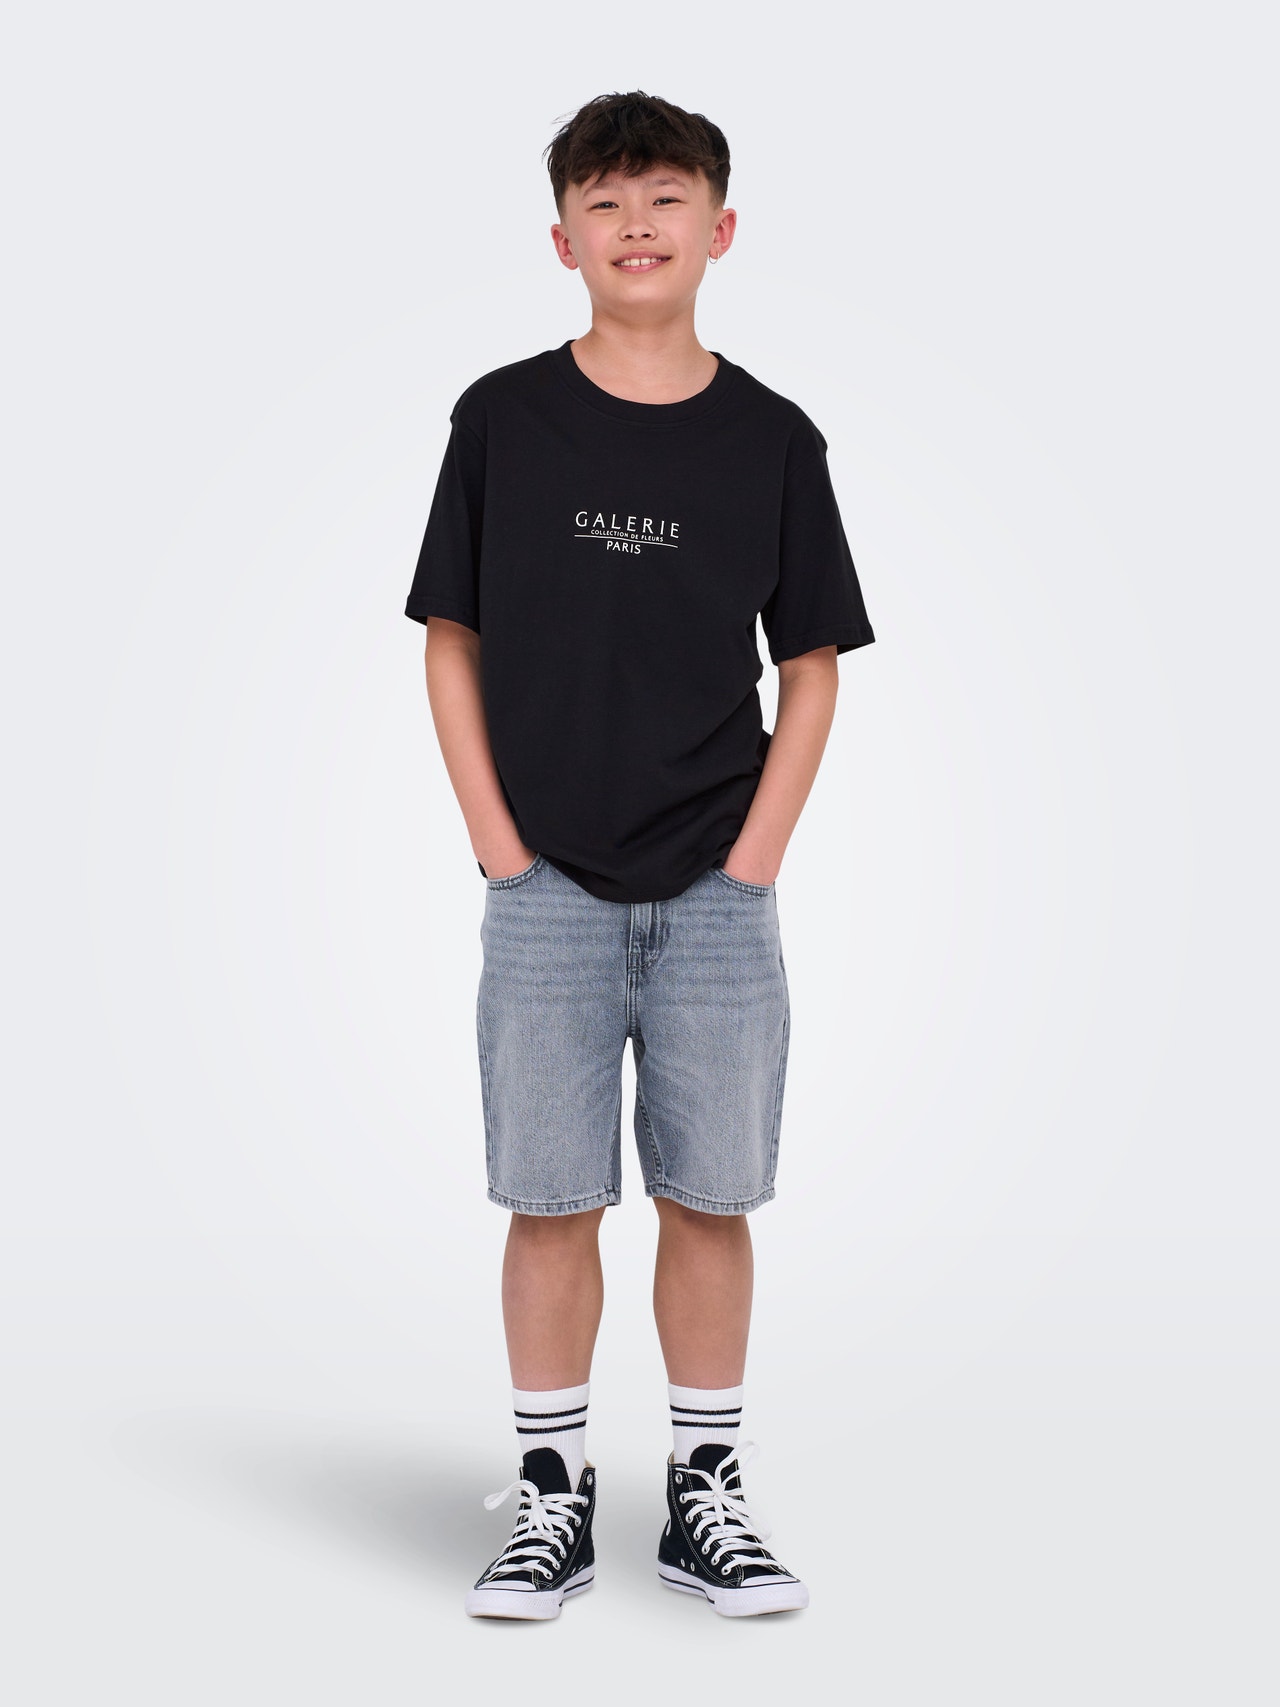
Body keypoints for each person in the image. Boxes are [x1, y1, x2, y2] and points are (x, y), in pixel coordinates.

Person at [403, 90, 875, 1620]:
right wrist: (498, 846)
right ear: (563, 241)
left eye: (665, 199)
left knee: (711, 1196)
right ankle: (550, 1494)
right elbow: (451, 637)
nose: (636, 226)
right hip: (543, 883)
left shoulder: (773, 438)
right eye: (603, 204)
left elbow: (813, 666)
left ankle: (703, 1493)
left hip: (717, 894)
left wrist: (754, 862)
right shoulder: (503, 419)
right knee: (549, 1199)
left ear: (720, 230)